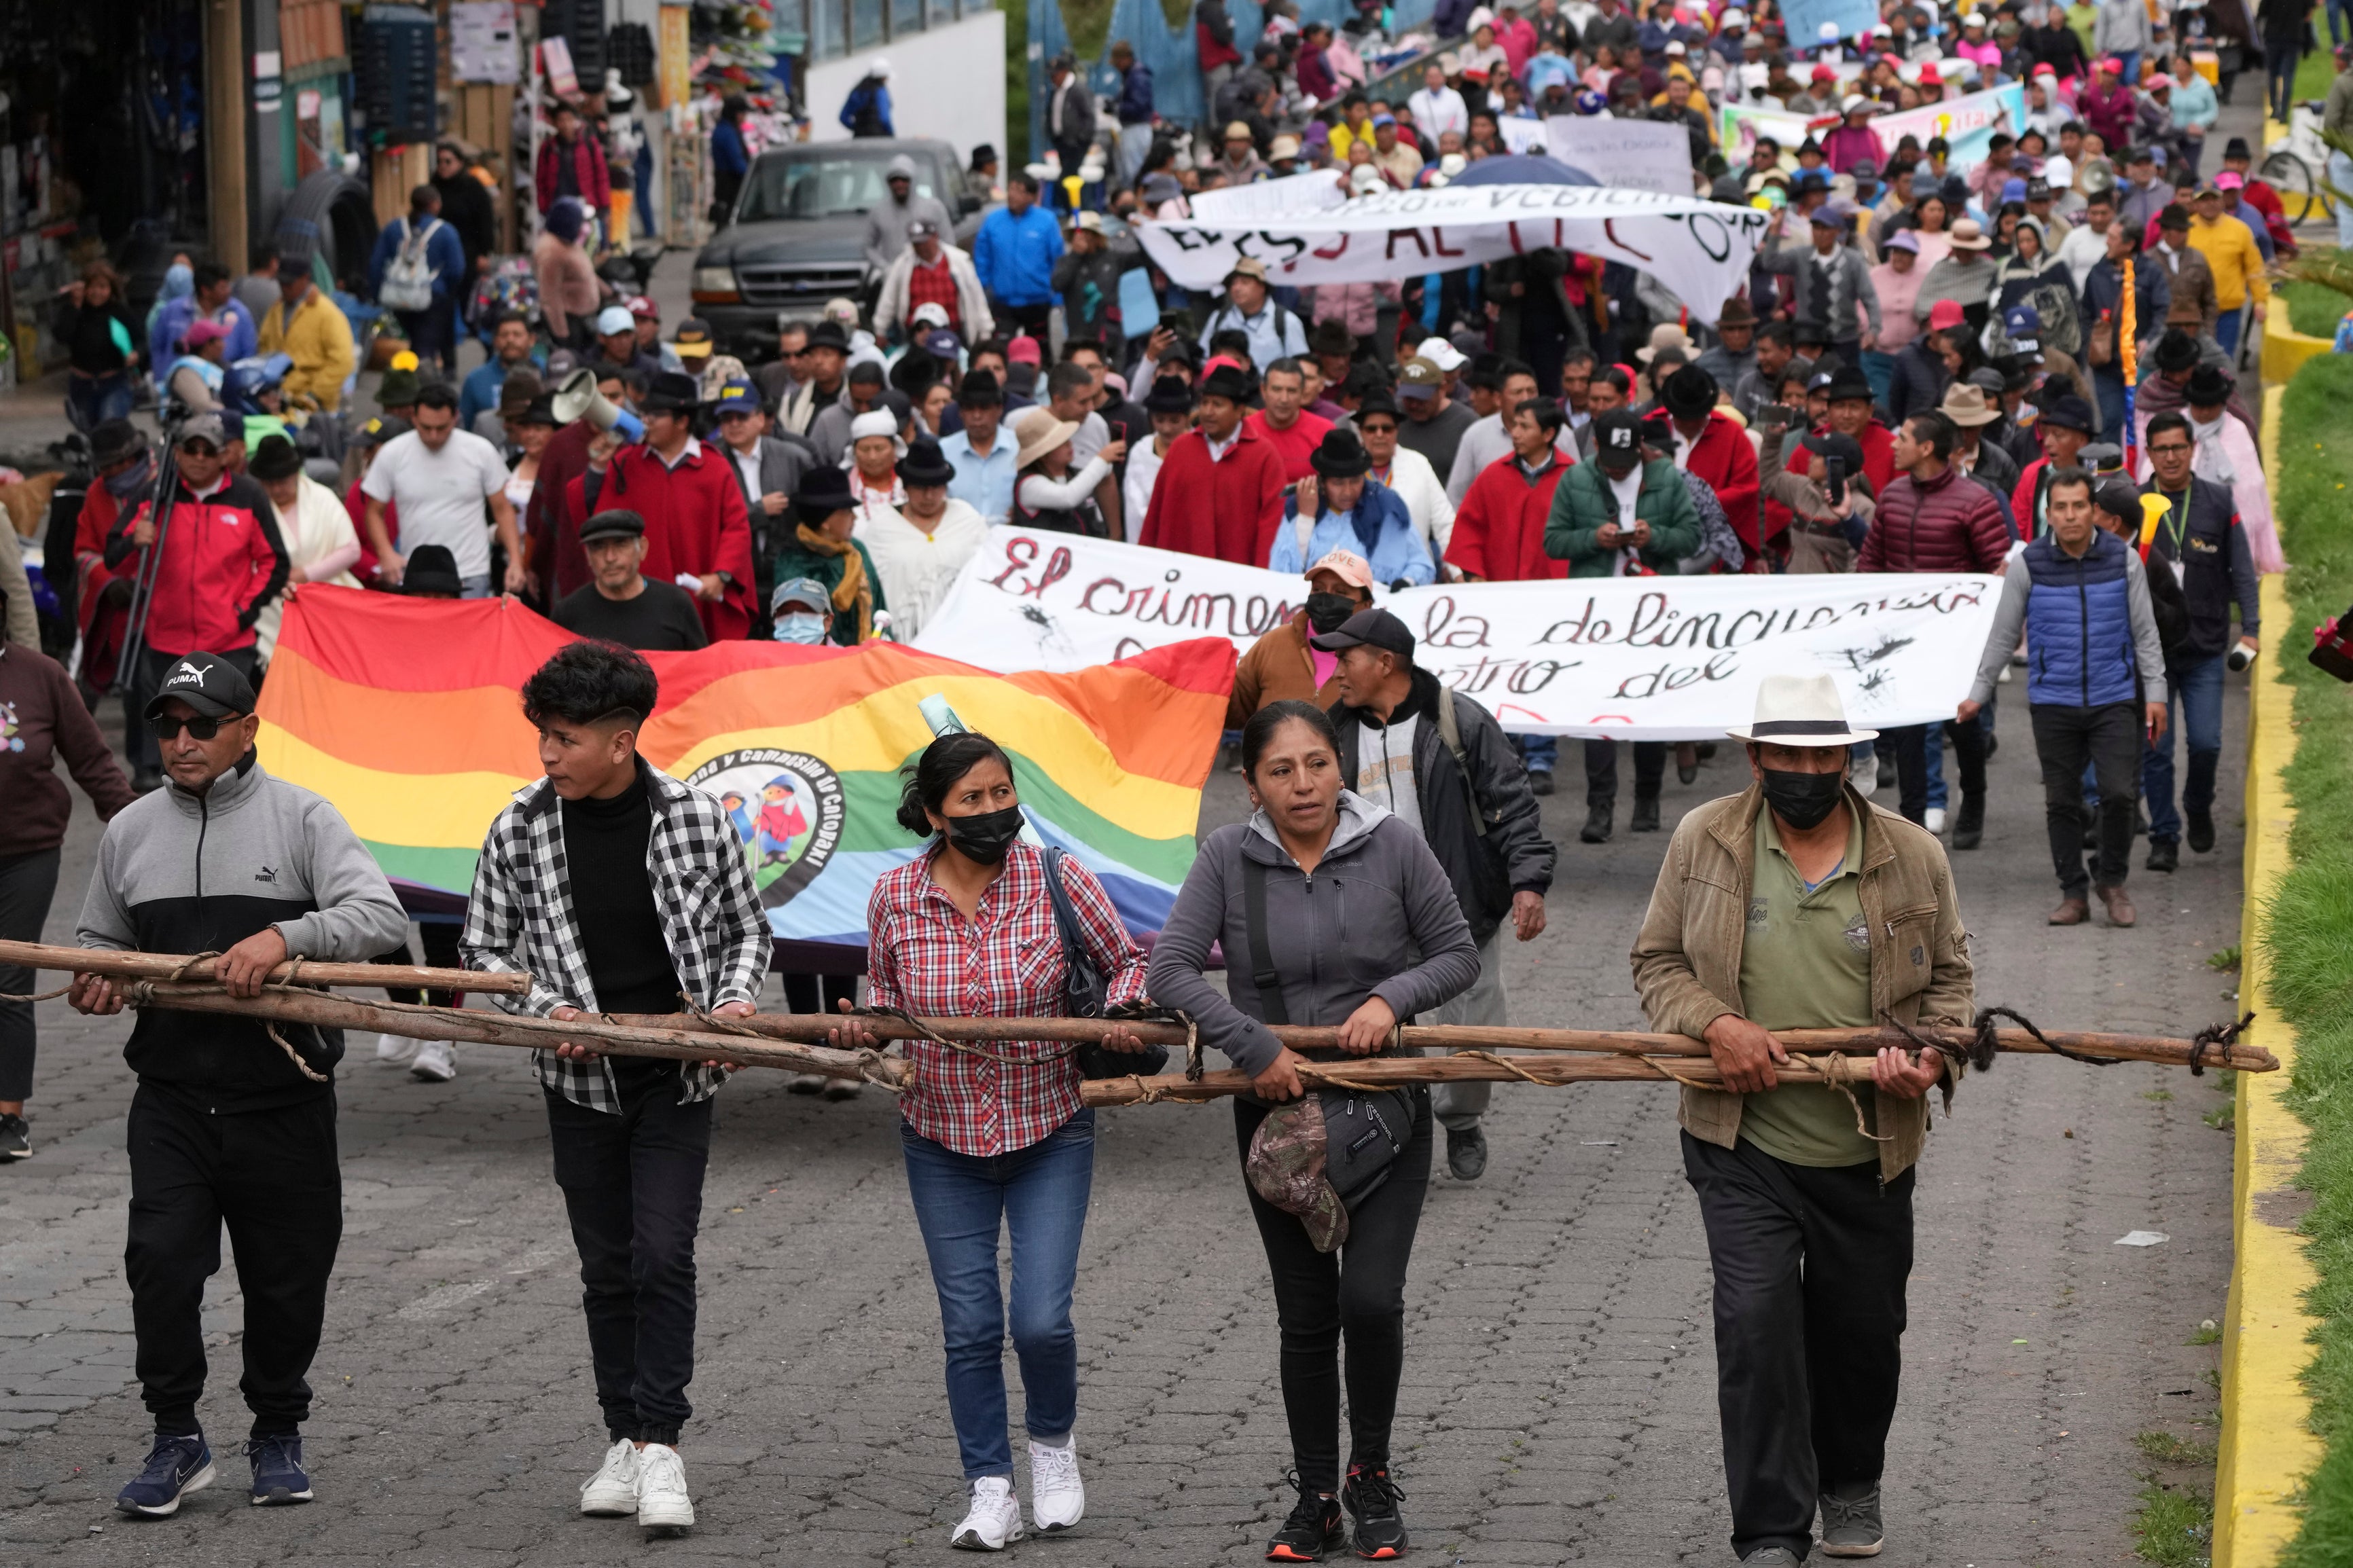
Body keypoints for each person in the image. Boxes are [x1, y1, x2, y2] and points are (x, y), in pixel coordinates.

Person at [1630, 672, 1973, 1568]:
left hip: (1867, 1148)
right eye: (1788, 754)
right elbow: (1658, 961)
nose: (1807, 771)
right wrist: (1717, 1024)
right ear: (1755, 758)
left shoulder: (1909, 853)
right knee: (1755, 1325)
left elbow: (1952, 985)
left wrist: (1928, 1055)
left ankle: (1851, 1480)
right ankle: (1771, 1530)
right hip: (1741, 1143)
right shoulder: (1704, 841)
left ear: (1849, 759)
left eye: (1825, 755)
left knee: (1862, 1335)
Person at [70, 650, 403, 1517]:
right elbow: (96, 941)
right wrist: (99, 980)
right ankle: (176, 1436)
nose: (182, 742)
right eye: (168, 726)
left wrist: (286, 938)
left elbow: (380, 917)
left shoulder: (303, 818)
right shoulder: (130, 829)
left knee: (286, 1276)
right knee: (161, 1263)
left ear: (247, 728)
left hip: (283, 1096)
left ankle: (277, 1430)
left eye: (201, 725)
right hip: (172, 1096)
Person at [1147, 697, 1479, 1563]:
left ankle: (1370, 1476)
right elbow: (1170, 968)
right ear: (1249, 783)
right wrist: (1251, 1045)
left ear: (1343, 765)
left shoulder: (1395, 844)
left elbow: (1455, 951)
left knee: (1369, 1298)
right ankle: (1315, 1497)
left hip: (1384, 1111)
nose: (1304, 784)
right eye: (1280, 770)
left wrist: (1389, 997)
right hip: (1276, 1124)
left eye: (1318, 764)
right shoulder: (1225, 856)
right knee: (1306, 1315)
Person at [461, 640, 768, 1538]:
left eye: (562, 738)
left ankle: (664, 1447)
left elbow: (748, 929)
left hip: (680, 1075)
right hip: (576, 1081)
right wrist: (546, 1004)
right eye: (543, 738)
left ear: (621, 740)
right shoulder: (519, 825)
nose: (547, 755)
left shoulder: (699, 818)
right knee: (606, 1267)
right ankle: (622, 1440)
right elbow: (483, 950)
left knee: (662, 1253)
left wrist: (737, 999)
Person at [829, 731, 1151, 1550]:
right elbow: (886, 998)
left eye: (1000, 793)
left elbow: (1127, 967)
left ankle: (1051, 1449)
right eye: (969, 799)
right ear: (935, 813)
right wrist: (860, 1027)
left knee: (1040, 1318)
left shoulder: (1060, 878)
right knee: (969, 1324)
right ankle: (989, 1486)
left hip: (1050, 1125)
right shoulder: (895, 895)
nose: (990, 811)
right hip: (939, 1134)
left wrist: (1114, 1018)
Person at [1317, 602, 1555, 1182]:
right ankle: (1401, 1124)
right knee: (1382, 1023)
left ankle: (1463, 1119)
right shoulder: (1333, 729)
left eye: (1346, 659)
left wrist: (1528, 881)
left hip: (1459, 905)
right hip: (1369, 910)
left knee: (1473, 1025)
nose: (1336, 671)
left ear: (1386, 662)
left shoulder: (1459, 720)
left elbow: (1511, 802)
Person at [1961, 467, 2169, 926]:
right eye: (2061, 507)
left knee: (2118, 794)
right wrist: (1978, 693)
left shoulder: (2124, 560)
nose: (2071, 515)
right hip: (2053, 701)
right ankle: (2073, 892)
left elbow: (2146, 633)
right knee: (2061, 800)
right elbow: (2002, 636)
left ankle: (2112, 881)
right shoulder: (2029, 564)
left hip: (2115, 697)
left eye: (2080, 506)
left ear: (2094, 511)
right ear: (2048, 513)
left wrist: (2156, 693)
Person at [0, 625, 134, 1160]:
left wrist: (144, 829)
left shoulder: (41, 675)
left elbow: (95, 763)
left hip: (27, 854)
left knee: (9, 980)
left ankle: (8, 1117)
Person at [103, 414, 289, 791]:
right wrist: (135, 540)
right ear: (176, 452)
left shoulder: (249, 495)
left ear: (225, 455)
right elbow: (112, 555)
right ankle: (153, 793)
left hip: (228, 644)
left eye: (208, 450)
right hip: (163, 641)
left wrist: (242, 613)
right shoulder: (156, 494)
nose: (199, 457)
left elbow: (275, 562)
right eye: (191, 449)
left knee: (224, 732)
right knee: (164, 729)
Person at [1545, 409, 1703, 842]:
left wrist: (1657, 538)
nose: (1618, 467)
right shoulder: (1575, 480)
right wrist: (1593, 538)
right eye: (1610, 458)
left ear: (1640, 448)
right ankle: (1600, 806)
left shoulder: (1667, 478)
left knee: (1648, 705)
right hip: (1596, 612)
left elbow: (1692, 535)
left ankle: (1648, 798)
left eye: (1627, 457)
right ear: (1595, 446)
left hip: (1652, 610)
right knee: (1598, 710)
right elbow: (1553, 540)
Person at [2137, 412, 2261, 871]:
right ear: (2149, 454)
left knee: (2207, 743)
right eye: (2161, 449)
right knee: (2157, 748)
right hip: (2151, 652)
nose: (2170, 456)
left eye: (2178, 447)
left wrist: (2251, 627)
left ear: (2193, 449)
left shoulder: (2217, 500)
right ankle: (2164, 835)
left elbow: (2242, 570)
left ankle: (2198, 804)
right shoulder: (2134, 504)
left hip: (2206, 646)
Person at [592, 373, 756, 640]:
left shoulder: (715, 468)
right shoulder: (625, 463)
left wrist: (721, 576)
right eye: (645, 413)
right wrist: (598, 467)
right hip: (636, 601)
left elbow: (737, 528)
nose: (646, 421)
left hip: (698, 599)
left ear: (682, 421)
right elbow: (601, 524)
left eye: (656, 414)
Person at [362, 384, 524, 598]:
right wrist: (386, 553)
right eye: (425, 427)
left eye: (442, 428)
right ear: (413, 417)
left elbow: (503, 509)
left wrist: (515, 561)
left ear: (455, 418)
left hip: (471, 572)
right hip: (418, 576)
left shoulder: (480, 451)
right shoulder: (393, 453)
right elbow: (373, 511)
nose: (433, 435)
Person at [1138, 362, 1288, 565]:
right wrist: (1144, 563)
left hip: (1238, 575)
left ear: (1239, 410)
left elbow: (1272, 523)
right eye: (1204, 403)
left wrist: (1263, 573)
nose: (1208, 412)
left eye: (1217, 405)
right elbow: (1155, 514)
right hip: (1180, 571)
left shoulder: (1264, 455)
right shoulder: (1181, 449)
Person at [245, 435, 361, 663]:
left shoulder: (322, 498)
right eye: (270, 483)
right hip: (273, 605)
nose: (277, 489)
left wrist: (304, 575)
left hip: (328, 597)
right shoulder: (254, 506)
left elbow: (350, 549)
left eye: (283, 481)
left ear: (296, 474)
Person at [1229, 550, 1376, 726]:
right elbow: (1234, 711)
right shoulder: (1273, 643)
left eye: (1340, 592)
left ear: (1366, 606)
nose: (1326, 598)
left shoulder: (1380, 659)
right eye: (1318, 589)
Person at [855, 443, 988, 638]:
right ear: (906, 487)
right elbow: (868, 585)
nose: (929, 496)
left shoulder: (967, 519)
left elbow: (986, 573)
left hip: (959, 633)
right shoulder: (883, 526)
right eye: (920, 488)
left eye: (936, 487)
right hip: (900, 637)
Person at [1271, 429, 1434, 585]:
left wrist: (1407, 581)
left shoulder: (1388, 508)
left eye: (1355, 481)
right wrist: (1306, 519)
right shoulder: (1300, 508)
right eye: (1338, 483)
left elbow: (1421, 563)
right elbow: (1283, 572)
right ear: (1323, 481)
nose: (1348, 491)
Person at [551, 509, 710, 651]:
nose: (610, 558)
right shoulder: (568, 613)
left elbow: (702, 671)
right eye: (598, 547)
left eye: (621, 544)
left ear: (642, 548)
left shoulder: (676, 603)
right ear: (588, 556)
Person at [772, 467, 884, 644]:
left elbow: (879, 604)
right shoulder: (793, 562)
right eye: (847, 511)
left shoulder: (856, 550)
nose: (854, 518)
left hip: (868, 659)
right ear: (826, 521)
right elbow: (799, 630)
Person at [369, 184, 467, 372]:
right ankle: (421, 387)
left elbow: (376, 264)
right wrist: (445, 291)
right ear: (435, 204)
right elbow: (456, 269)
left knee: (407, 342)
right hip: (432, 297)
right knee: (424, 347)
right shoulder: (446, 232)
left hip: (398, 297)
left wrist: (377, 293)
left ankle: (406, 381)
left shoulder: (394, 228)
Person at [253, 257, 355, 413]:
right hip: (277, 399)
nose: (284, 287)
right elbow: (264, 347)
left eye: (289, 283)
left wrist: (315, 394)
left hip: (313, 405)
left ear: (305, 279)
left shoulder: (327, 313)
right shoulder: (277, 309)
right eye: (281, 283)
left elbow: (343, 361)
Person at [973, 175, 1064, 342]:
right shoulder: (993, 220)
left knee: (1038, 351)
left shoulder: (1046, 221)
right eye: (1011, 189)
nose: (1012, 195)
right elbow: (982, 257)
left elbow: (1058, 259)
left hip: (1038, 301)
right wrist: (983, 287)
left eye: (1019, 191)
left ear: (1032, 196)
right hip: (1003, 301)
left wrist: (1057, 295)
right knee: (1001, 349)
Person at [2183, 183, 2269, 360]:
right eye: (2204, 200)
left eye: (2214, 198)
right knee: (2192, 360)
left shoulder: (2241, 230)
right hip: (2194, 312)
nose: (2210, 204)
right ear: (2195, 204)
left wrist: (2260, 300)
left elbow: (2255, 268)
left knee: (2224, 361)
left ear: (2222, 201)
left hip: (2229, 312)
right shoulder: (2185, 230)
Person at [57, 261, 141, 431]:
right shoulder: (74, 311)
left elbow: (141, 338)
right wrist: (75, 306)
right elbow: (62, 336)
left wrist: (136, 354)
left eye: (103, 287)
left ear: (111, 290)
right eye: (92, 287)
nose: (97, 293)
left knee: (109, 428)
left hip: (114, 383)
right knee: (86, 434)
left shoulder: (119, 311)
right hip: (82, 385)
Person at [1198, 259, 1311, 374]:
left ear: (1262, 287)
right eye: (1233, 283)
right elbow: (1202, 358)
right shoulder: (1219, 318)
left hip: (1268, 390)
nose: (1237, 288)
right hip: (1226, 389)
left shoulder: (1287, 321)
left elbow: (1301, 366)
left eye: (1245, 282)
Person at [943, 371, 1018, 526]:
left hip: (1009, 539)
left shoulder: (1019, 447)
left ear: (999, 409)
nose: (977, 416)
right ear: (961, 413)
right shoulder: (944, 451)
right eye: (969, 409)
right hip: (959, 538)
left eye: (984, 408)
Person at [863, 154, 956, 273]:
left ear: (913, 180)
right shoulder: (879, 211)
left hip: (927, 274)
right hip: (894, 274)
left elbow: (949, 243)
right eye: (894, 180)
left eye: (904, 180)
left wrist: (936, 266)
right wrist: (884, 267)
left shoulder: (933, 208)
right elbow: (868, 246)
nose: (899, 184)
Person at [534, 197, 605, 351]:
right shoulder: (551, 252)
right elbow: (550, 296)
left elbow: (585, 273)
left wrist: (607, 290)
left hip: (584, 319)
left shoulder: (567, 242)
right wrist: (562, 335)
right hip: (571, 321)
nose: (583, 226)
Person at [461, 312, 543, 433]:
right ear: (495, 340)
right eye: (504, 335)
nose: (510, 340)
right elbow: (465, 429)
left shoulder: (545, 372)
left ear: (532, 339)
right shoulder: (476, 380)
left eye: (517, 335)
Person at [536, 101, 612, 228]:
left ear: (576, 121)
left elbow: (602, 175)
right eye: (561, 120)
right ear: (554, 123)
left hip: (585, 202)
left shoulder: (589, 143)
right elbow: (541, 180)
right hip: (558, 204)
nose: (566, 125)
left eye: (569, 120)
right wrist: (543, 207)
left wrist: (604, 206)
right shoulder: (549, 147)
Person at [842, 57, 895, 136]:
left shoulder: (858, 91)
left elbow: (843, 118)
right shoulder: (880, 91)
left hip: (859, 141)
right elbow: (885, 119)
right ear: (883, 77)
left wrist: (858, 129)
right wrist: (891, 134)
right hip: (879, 139)